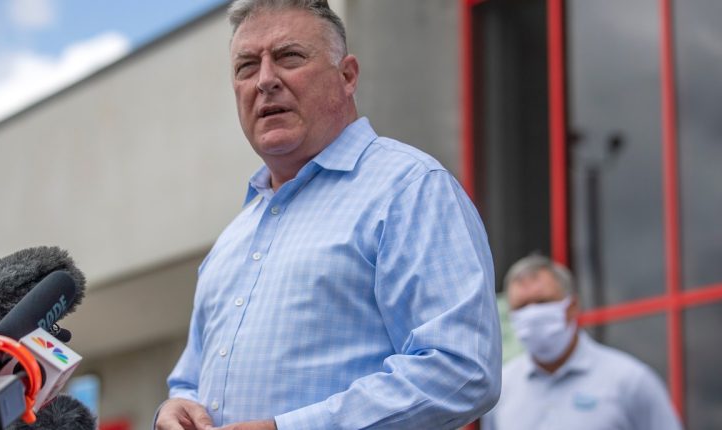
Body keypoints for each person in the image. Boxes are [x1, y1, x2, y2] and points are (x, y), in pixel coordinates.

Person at [154, 1, 501, 429]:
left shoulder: (408, 189)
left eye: (289, 57)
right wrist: (175, 408)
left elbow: (462, 368)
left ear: (348, 75)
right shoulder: (234, 236)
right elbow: (190, 379)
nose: (265, 81)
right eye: (246, 67)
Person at [481, 255, 683, 430]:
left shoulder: (630, 381)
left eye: (543, 302)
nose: (532, 313)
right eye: (522, 306)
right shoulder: (501, 390)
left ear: (572, 306)